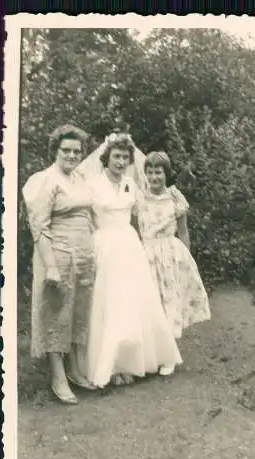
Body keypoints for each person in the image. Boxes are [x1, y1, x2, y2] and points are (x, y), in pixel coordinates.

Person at [84, 133, 182, 388]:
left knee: (134, 302)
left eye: (125, 157)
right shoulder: (93, 184)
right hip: (104, 245)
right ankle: (112, 365)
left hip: (129, 245)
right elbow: (85, 218)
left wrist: (172, 196)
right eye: (116, 156)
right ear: (106, 158)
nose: (120, 161)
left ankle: (136, 361)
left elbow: (151, 204)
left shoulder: (130, 183)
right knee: (109, 303)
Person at [22, 124, 96, 405]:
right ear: (55, 150)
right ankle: (58, 376)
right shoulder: (43, 180)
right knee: (58, 312)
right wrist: (50, 266)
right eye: (66, 150)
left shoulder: (80, 178)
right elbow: (39, 227)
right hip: (58, 253)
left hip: (83, 254)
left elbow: (89, 216)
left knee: (79, 310)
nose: (72, 155)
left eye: (77, 151)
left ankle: (75, 369)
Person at [135, 151, 211, 372]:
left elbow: (184, 232)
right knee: (151, 303)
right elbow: (133, 227)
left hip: (170, 253)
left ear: (166, 173)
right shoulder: (139, 198)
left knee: (169, 301)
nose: (154, 177)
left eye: (158, 172)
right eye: (149, 172)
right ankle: (152, 352)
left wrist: (185, 259)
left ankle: (168, 355)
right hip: (146, 253)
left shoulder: (176, 198)